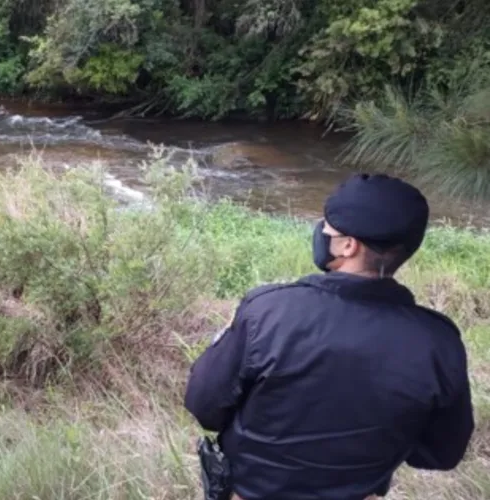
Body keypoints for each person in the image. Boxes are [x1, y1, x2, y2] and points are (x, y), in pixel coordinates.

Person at [184, 173, 475, 500]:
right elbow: (441, 453)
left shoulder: (268, 311)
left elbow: (204, 406)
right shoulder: (438, 341)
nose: (321, 232)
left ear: (348, 245)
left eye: (327, 227)